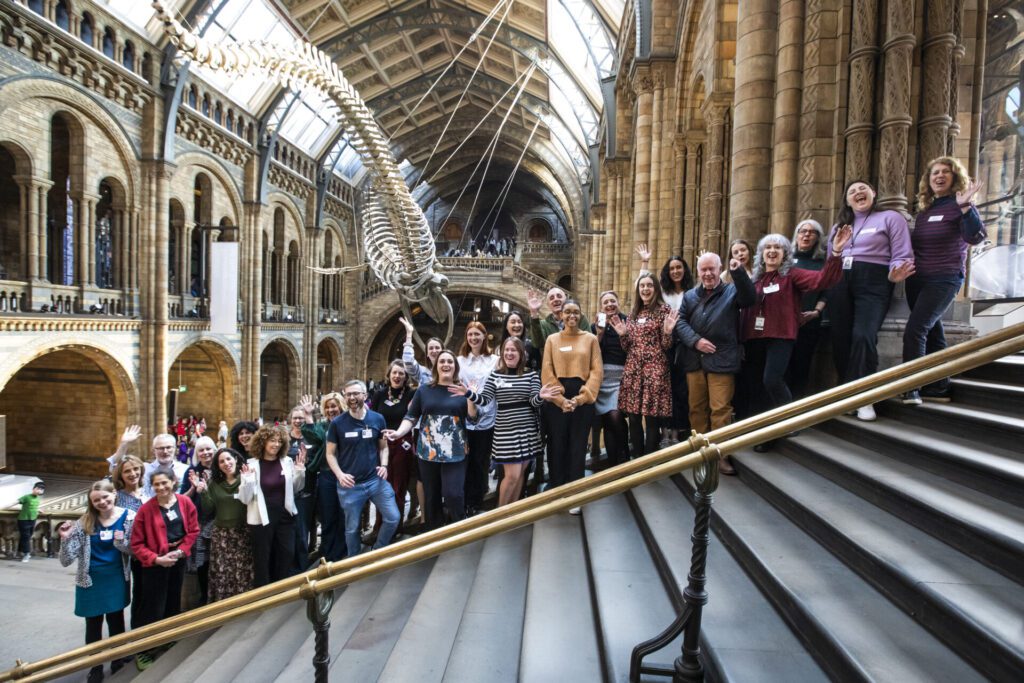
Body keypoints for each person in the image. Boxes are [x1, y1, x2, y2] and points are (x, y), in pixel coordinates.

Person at [741, 228, 850, 451]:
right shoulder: (756, 279)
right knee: (756, 387)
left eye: (777, 248)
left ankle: (791, 419)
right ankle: (761, 433)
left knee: (772, 380)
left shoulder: (793, 275)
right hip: (754, 339)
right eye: (768, 248)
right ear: (761, 253)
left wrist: (836, 253)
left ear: (785, 253)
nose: (772, 251)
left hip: (781, 336)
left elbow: (823, 280)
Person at [902, 157, 986, 404]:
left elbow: (976, 237)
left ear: (954, 177)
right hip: (917, 279)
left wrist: (966, 207)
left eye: (945, 172)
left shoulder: (961, 205)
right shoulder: (926, 210)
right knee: (933, 332)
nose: (939, 176)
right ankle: (939, 385)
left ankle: (911, 387)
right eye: (934, 173)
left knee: (915, 329)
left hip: (945, 278)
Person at [829, 179, 915, 421]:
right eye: (852, 191)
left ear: (873, 193)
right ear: (847, 200)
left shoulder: (890, 218)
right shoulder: (840, 226)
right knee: (840, 338)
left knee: (864, 335)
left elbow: (902, 253)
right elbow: (830, 259)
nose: (857, 193)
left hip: (874, 279)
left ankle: (865, 396)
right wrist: (836, 251)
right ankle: (846, 394)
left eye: (862, 189)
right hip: (840, 280)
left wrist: (895, 272)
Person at [675, 253, 756, 474]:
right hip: (695, 361)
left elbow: (750, 298)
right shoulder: (690, 295)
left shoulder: (732, 290)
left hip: (722, 360)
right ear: (698, 271)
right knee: (696, 409)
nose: (708, 273)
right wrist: (695, 341)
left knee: (720, 410)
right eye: (704, 270)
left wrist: (738, 271)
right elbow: (680, 321)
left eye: (712, 269)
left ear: (720, 269)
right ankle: (700, 453)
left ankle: (719, 455)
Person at [384, 350, 478, 530]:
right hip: (428, 453)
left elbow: (473, 418)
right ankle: (434, 533)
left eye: (450, 361)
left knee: (453, 494)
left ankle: (459, 529)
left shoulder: (462, 390)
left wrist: (470, 396)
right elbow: (411, 417)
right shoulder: (424, 390)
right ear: (436, 366)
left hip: (455, 452)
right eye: (442, 361)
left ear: (455, 367)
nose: (446, 364)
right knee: (431, 496)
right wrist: (398, 433)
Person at [57, 480, 135, 683]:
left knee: (116, 621)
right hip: (89, 581)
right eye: (96, 500)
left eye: (105, 497)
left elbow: (134, 551)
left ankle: (117, 659)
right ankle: (95, 666)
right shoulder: (85, 521)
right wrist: (65, 538)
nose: (102, 502)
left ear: (114, 494)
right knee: (93, 625)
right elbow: (66, 560)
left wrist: (121, 543)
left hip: (116, 578)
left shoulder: (129, 517)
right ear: (92, 502)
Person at [130, 468, 199, 670]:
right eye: (156, 484)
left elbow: (193, 530)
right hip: (155, 564)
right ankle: (143, 650)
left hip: (177, 559)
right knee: (152, 606)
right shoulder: (146, 509)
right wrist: (157, 559)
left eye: (164, 483)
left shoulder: (185, 503)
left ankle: (167, 636)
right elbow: (136, 544)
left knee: (172, 599)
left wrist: (180, 552)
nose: (161, 487)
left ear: (173, 481)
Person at [325, 380, 401, 556]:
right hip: (350, 486)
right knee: (352, 529)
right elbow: (330, 454)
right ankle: (355, 562)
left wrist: (384, 465)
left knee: (393, 517)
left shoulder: (377, 418)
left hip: (375, 480)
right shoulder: (337, 423)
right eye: (348, 394)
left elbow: (383, 447)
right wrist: (340, 475)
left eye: (355, 393)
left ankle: (377, 550)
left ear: (364, 395)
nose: (352, 397)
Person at [609, 274, 678, 456]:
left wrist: (668, 332)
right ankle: (638, 458)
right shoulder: (633, 313)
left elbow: (666, 345)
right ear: (638, 290)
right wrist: (623, 334)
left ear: (655, 289)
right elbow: (626, 347)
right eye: (642, 286)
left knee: (652, 417)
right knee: (633, 417)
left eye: (649, 285)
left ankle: (649, 460)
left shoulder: (663, 310)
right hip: (633, 369)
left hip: (655, 369)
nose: (645, 289)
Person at [540, 299, 602, 494]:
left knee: (578, 443)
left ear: (581, 315)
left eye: (576, 312)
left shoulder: (590, 339)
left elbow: (596, 371)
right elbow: (547, 370)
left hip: (582, 398)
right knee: (557, 442)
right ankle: (557, 487)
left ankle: (575, 490)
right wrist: (560, 400)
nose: (571, 315)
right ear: (561, 315)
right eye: (567, 312)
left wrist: (580, 398)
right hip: (558, 397)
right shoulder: (552, 340)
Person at [239, 424, 306, 587]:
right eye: (272, 441)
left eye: (279, 441)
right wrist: (247, 481)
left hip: (285, 516)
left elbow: (297, 488)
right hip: (261, 518)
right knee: (262, 558)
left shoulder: (287, 461)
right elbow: (245, 499)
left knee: (287, 553)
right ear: (263, 442)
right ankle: (263, 594)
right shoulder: (252, 464)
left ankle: (280, 589)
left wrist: (299, 471)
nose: (276, 444)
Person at [200, 448, 254, 602]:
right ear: (218, 466)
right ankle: (224, 606)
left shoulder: (246, 477)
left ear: (236, 459)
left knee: (242, 569)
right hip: (222, 534)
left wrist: (249, 480)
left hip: (242, 532)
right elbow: (208, 509)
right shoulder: (214, 483)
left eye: (229, 459)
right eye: (221, 461)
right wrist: (203, 492)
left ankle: (244, 603)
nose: (226, 463)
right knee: (223, 572)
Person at [786, 219, 832, 398]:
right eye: (802, 231)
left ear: (818, 238)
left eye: (811, 232)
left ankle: (796, 408)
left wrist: (816, 312)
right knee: (782, 368)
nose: (806, 234)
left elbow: (827, 291)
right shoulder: (786, 260)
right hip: (784, 323)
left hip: (809, 322)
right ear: (796, 235)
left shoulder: (822, 262)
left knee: (802, 366)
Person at [457, 321, 498, 516]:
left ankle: (477, 499)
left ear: (484, 336)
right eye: (470, 334)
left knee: (481, 460)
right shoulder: (459, 361)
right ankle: (464, 499)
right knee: (465, 459)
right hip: (465, 417)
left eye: (477, 334)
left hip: (487, 417)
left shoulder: (494, 360)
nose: (473, 338)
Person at [299, 392, 346, 561]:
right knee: (327, 514)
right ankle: (328, 551)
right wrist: (308, 416)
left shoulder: (347, 422)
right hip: (327, 475)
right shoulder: (323, 425)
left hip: (345, 474)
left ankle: (342, 551)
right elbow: (316, 437)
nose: (331, 409)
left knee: (343, 515)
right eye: (327, 407)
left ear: (341, 406)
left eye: (333, 406)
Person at [368, 361, 415, 532]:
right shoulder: (379, 395)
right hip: (381, 444)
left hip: (403, 444)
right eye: (394, 373)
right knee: (382, 486)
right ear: (388, 375)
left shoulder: (411, 394)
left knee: (398, 487)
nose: (397, 376)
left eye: (401, 373)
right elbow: (372, 418)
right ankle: (380, 526)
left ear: (406, 376)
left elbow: (412, 417)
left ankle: (396, 526)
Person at [592, 291, 631, 467]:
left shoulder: (627, 320)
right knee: (608, 419)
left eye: (612, 301)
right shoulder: (597, 325)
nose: (609, 304)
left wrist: (623, 334)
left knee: (615, 415)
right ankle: (613, 461)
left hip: (621, 376)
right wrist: (599, 334)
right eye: (606, 302)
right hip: (603, 378)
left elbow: (632, 347)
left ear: (618, 302)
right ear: (601, 306)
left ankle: (624, 452)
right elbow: (592, 352)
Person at [180, 436, 216, 604]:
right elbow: (183, 498)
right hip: (200, 522)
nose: (205, 453)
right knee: (202, 561)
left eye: (208, 448)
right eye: (201, 450)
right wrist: (194, 488)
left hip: (218, 520)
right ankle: (203, 597)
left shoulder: (221, 467)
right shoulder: (191, 471)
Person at [286, 407, 313, 569]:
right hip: (287, 491)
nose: (298, 421)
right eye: (295, 418)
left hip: (306, 491)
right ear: (290, 420)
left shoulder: (311, 438)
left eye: (301, 418)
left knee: (302, 531)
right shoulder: (284, 439)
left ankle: (302, 567)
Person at [527, 287, 592, 355]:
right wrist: (534, 313)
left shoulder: (579, 318)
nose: (556, 299)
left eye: (559, 296)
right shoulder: (543, 324)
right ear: (548, 304)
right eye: (552, 298)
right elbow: (537, 344)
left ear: (566, 299)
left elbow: (589, 342)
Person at [399, 316, 443, 386]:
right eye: (431, 348)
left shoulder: (450, 370)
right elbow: (408, 362)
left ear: (443, 351)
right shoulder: (422, 372)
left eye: (437, 347)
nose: (434, 350)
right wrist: (409, 334)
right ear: (427, 354)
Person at [141, 434, 189, 498]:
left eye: (168, 447)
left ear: (175, 448)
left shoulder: (185, 469)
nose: (165, 451)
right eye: (161, 448)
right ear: (153, 450)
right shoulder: (145, 470)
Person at [16, 481, 45, 562]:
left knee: (27, 536)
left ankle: (20, 551)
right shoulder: (26, 497)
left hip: (32, 519)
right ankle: (26, 554)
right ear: (33, 489)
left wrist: (38, 509)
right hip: (23, 520)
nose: (39, 491)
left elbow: (33, 506)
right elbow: (17, 501)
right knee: (26, 537)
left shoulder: (37, 498)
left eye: (41, 490)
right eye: (38, 488)